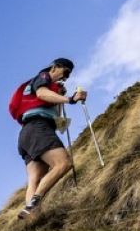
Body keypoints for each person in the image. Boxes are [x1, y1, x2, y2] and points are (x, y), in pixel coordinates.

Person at [9, 59, 88, 219]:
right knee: (63, 163)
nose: (65, 78)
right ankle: (34, 203)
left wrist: (59, 96)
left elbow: (55, 115)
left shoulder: (44, 87)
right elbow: (41, 94)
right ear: (55, 67)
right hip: (39, 127)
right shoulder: (43, 77)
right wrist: (71, 99)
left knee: (35, 180)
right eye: (65, 73)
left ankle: (31, 219)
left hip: (27, 133)